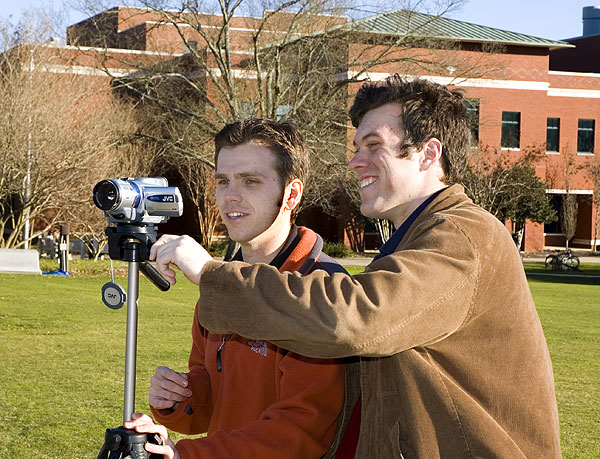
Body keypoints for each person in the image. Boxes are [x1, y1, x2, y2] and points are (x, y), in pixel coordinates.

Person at [146, 76, 562, 457]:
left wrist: (209, 273)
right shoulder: (409, 246)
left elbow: (359, 318)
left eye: (374, 145)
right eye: (356, 147)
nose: (355, 161)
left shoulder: (463, 235)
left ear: (428, 154)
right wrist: (181, 402)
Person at [126, 119, 352, 458]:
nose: (231, 196)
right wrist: (180, 400)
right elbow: (210, 398)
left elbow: (299, 433)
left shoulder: (322, 290)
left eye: (251, 181)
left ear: (291, 194)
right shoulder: (219, 287)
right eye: (223, 181)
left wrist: (187, 456)